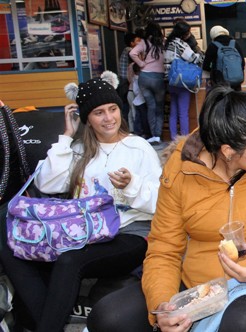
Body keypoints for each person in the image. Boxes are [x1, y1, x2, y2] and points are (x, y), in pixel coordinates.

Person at [86, 88, 246, 332]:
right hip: (201, 289)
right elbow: (164, 249)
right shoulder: (182, 170)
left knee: (242, 323)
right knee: (109, 316)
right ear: (228, 151)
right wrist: (163, 306)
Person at [0, 71, 161, 332]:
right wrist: (66, 136)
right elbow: (48, 184)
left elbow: (159, 204)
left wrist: (132, 186)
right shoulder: (78, 150)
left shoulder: (138, 147)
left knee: (68, 261)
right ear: (87, 118)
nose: (109, 118)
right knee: (16, 248)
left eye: (112, 109)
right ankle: (34, 323)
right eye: (99, 112)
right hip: (82, 234)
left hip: (130, 234)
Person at [164, 21, 203, 141]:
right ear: (184, 34)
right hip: (181, 81)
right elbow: (194, 58)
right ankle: (184, 140)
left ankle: (174, 139)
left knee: (173, 112)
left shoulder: (168, 43)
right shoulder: (180, 44)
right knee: (183, 113)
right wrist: (201, 55)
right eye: (188, 32)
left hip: (170, 81)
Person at [130, 22, 166, 145]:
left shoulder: (144, 43)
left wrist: (141, 64)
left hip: (144, 77)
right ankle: (157, 135)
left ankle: (152, 135)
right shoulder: (162, 43)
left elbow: (132, 53)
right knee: (159, 108)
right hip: (158, 78)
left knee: (151, 106)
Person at [203, 25, 245, 91]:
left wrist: (214, 69)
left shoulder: (212, 45)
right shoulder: (235, 43)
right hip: (237, 81)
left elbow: (205, 66)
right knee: (236, 99)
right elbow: (242, 63)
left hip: (220, 82)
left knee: (222, 100)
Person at [117, 32, 141, 127]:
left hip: (125, 80)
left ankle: (129, 126)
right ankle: (126, 125)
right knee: (128, 105)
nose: (140, 43)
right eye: (137, 41)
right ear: (132, 43)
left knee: (129, 105)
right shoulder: (130, 51)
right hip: (125, 81)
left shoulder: (127, 50)